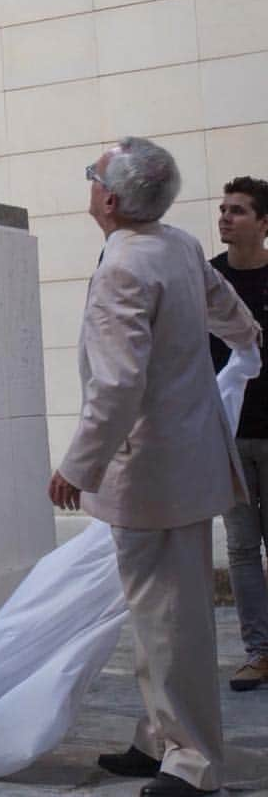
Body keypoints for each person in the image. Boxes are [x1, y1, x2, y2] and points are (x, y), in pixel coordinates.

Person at [48, 138, 260, 797]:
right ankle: (160, 737)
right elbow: (222, 302)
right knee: (159, 616)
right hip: (186, 463)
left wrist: (78, 466)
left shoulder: (127, 266)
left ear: (109, 199)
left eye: (93, 178)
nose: (89, 186)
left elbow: (117, 387)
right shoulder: (176, 244)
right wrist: (249, 337)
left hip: (154, 474)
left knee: (171, 622)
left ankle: (192, 764)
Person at [210, 176, 268, 692]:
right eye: (224, 209)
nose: (226, 217)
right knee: (243, 549)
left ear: (264, 223)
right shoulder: (207, 279)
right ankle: (259, 652)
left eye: (239, 211)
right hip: (227, 437)